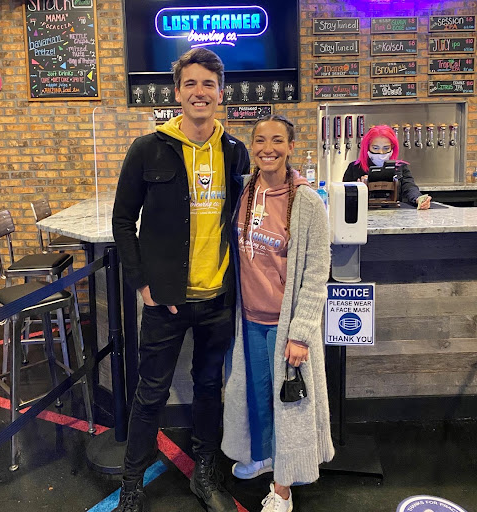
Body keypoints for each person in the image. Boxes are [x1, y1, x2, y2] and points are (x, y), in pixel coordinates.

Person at [112, 48, 250, 512]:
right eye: (190, 83)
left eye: (208, 84)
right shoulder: (148, 148)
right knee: (150, 393)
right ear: (177, 92)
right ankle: (132, 484)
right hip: (165, 301)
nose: (199, 92)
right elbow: (123, 220)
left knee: (210, 387)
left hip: (218, 299)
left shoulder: (235, 151)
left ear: (221, 92)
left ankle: (204, 472)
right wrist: (142, 284)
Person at [221, 115, 334, 512]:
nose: (267, 148)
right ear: (251, 146)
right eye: (259, 140)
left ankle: (283, 489)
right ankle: (265, 456)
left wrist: (300, 333)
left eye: (277, 141)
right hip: (249, 320)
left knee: (290, 406)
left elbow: (317, 273)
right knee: (255, 395)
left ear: (290, 147)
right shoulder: (244, 191)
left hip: (285, 326)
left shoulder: (307, 202)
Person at [343, 124, 431, 209]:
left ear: (392, 148)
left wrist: (419, 199)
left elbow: (409, 187)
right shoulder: (355, 168)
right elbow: (344, 196)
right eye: (375, 148)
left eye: (386, 148)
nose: (381, 152)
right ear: (368, 147)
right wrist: (358, 189)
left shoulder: (400, 167)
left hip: (394, 213)